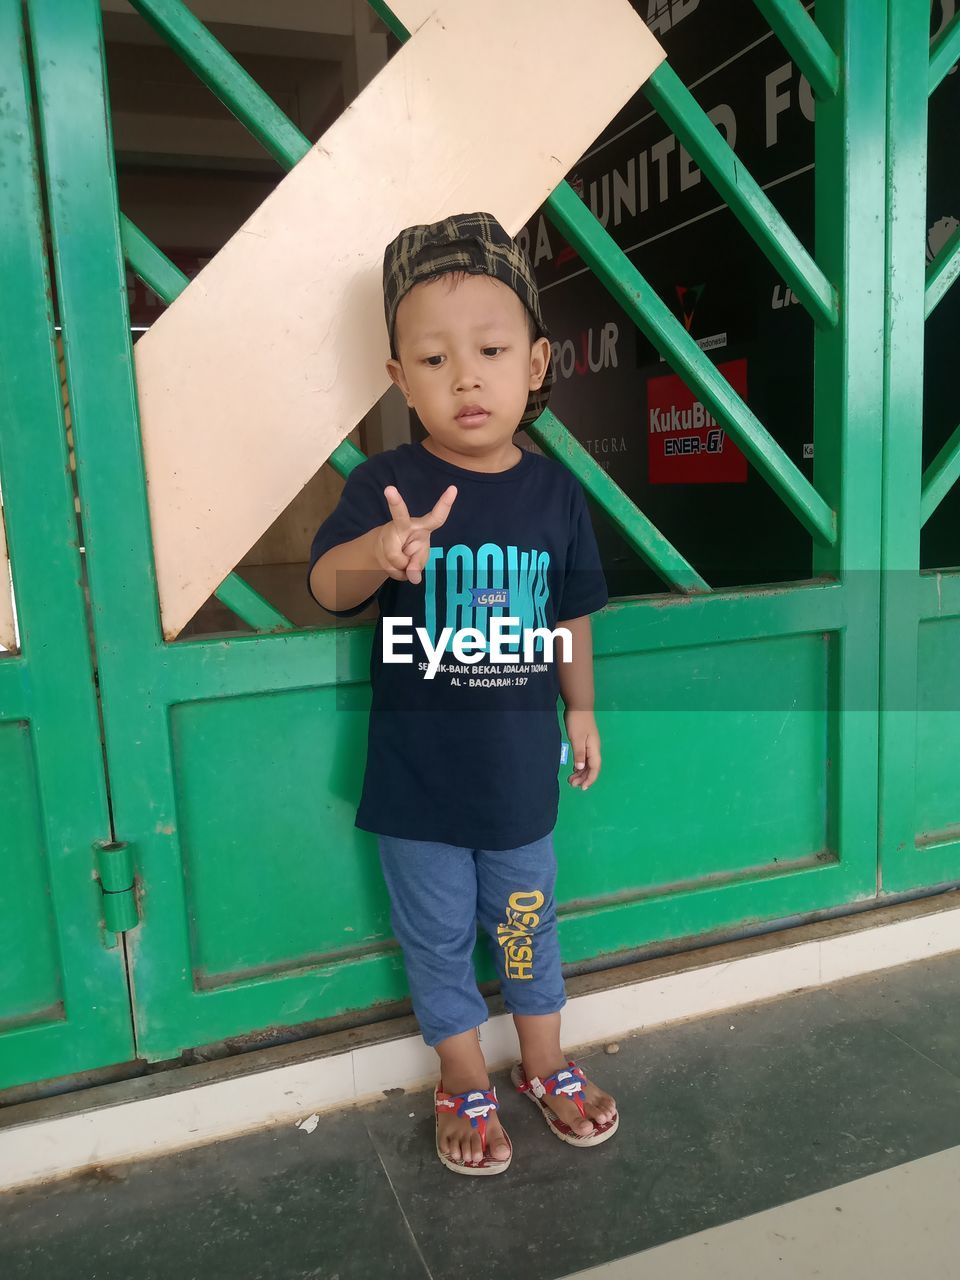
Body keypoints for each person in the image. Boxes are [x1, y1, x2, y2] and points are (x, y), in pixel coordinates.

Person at [307, 212, 617, 1176]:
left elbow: (571, 611)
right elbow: (327, 588)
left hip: (519, 777)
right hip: (418, 786)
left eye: (489, 350)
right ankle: (461, 1076)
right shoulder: (386, 482)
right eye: (435, 359)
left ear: (535, 363)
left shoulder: (556, 494)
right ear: (401, 380)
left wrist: (580, 707)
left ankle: (544, 1062)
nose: (466, 377)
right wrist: (379, 550)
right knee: (437, 938)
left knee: (525, 928)